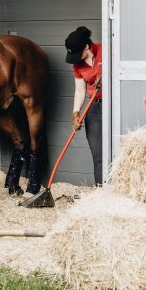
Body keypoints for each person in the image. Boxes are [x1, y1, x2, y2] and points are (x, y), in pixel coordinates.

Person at [64, 26, 103, 186]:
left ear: (86, 47)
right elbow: (80, 89)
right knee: (98, 153)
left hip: (113, 105)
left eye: (76, 53)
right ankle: (101, 190)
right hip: (94, 106)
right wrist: (75, 112)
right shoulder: (77, 65)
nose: (74, 58)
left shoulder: (105, 50)